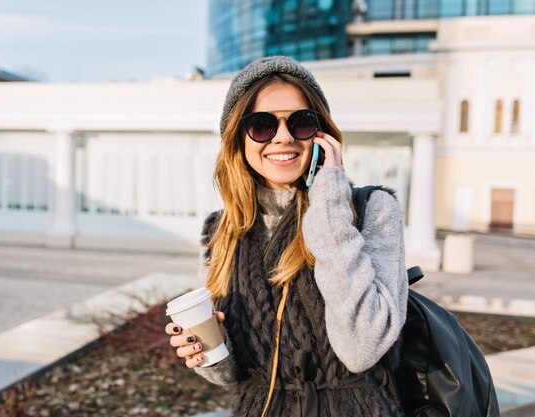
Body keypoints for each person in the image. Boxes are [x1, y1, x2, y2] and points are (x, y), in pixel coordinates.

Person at [165, 56, 408, 417]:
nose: (283, 137)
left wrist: (329, 201)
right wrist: (206, 353)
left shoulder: (371, 211)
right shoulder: (222, 231)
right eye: (261, 125)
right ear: (238, 138)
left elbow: (361, 349)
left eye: (301, 122)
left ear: (321, 133)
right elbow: (231, 376)